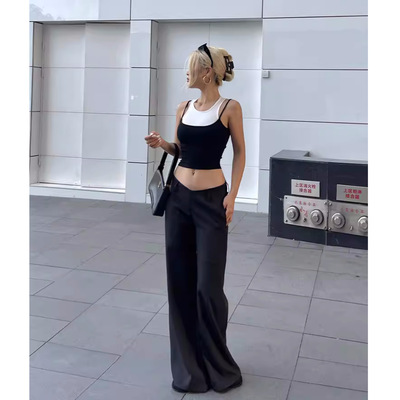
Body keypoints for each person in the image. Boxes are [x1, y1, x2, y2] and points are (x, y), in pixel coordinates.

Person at [144, 43, 246, 394]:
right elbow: (180, 150)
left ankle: (217, 364)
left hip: (212, 201)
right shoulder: (183, 108)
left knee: (208, 286)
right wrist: (162, 144)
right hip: (178, 200)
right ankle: (189, 369)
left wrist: (233, 195)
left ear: (207, 72)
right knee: (180, 282)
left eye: (190, 68)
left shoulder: (230, 108)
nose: (186, 74)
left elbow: (240, 153)